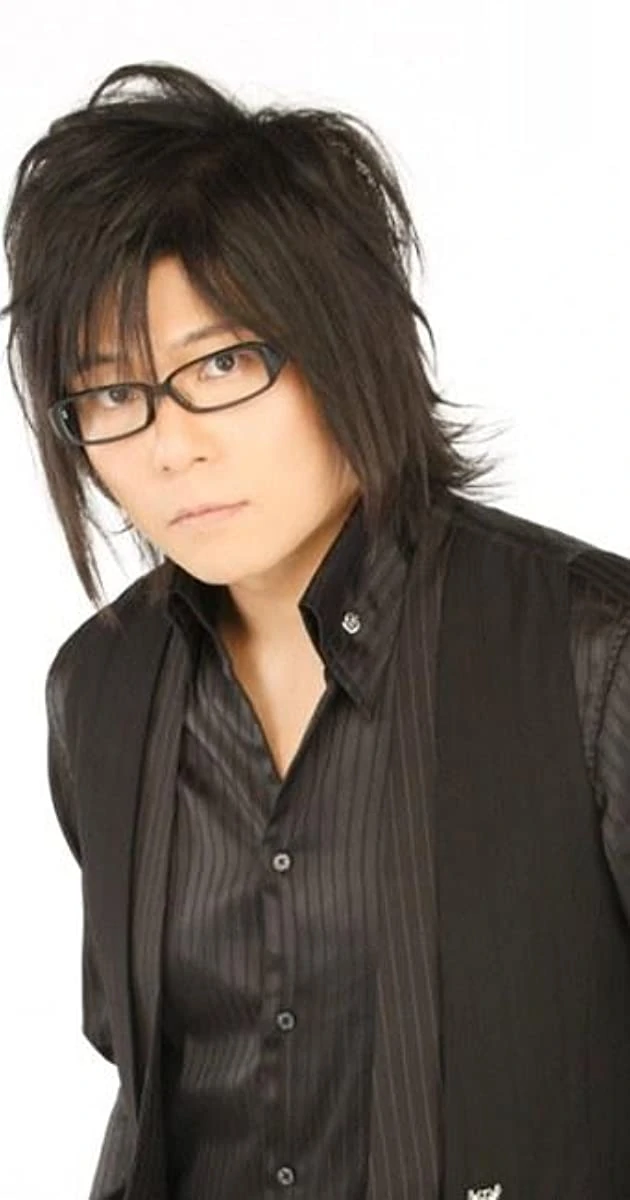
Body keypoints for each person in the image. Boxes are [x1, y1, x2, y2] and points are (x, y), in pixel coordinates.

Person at [3, 61, 630, 1200]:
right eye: (112, 393)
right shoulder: (97, 688)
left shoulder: (590, 655)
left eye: (223, 364)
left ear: (350, 346)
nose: (170, 446)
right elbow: (151, 1090)